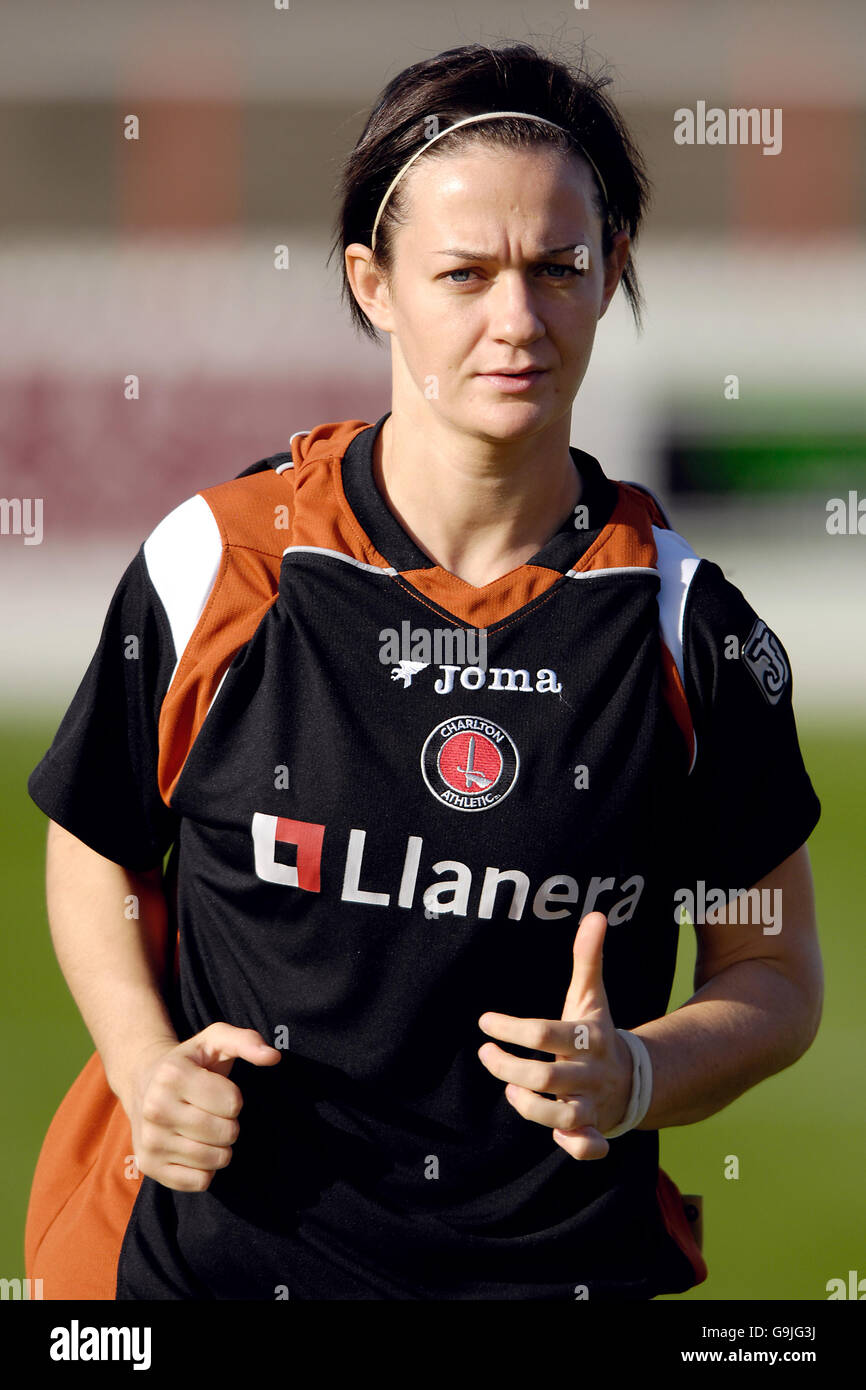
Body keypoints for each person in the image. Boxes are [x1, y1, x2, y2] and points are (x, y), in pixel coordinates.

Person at [25, 39, 822, 1302]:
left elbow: (771, 973)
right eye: (464, 274)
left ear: (609, 272)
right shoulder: (222, 565)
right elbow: (97, 845)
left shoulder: (686, 628)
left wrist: (641, 1076)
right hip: (211, 1275)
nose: (516, 319)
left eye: (558, 268)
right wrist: (141, 1059)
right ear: (373, 283)